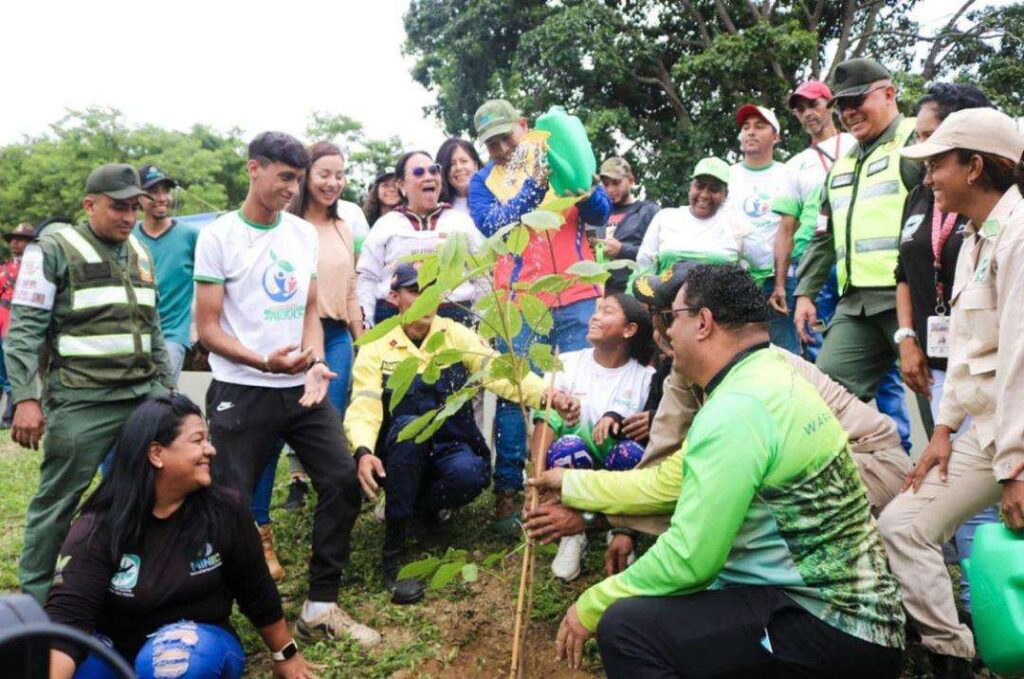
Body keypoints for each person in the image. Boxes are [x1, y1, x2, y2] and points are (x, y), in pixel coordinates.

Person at [534, 264, 904, 676]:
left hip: (832, 628)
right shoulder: (764, 374)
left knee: (626, 627)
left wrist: (591, 605)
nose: (667, 333)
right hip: (847, 619)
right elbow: (669, 479)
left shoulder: (737, 408)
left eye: (673, 319)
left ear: (704, 322)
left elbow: (693, 559)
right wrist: (571, 483)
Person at [193, 131, 378, 646]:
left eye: (297, 179)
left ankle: (321, 604)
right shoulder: (219, 236)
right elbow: (207, 329)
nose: (291, 188)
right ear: (254, 168)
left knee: (342, 480)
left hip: (301, 387)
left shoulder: (300, 235)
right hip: (241, 389)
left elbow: (309, 312)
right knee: (227, 505)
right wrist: (262, 361)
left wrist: (315, 361)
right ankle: (216, 615)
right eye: (285, 177)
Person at [878, 107, 1024, 678]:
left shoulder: (1018, 237)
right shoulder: (971, 239)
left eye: (938, 162)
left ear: (975, 166)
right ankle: (954, 660)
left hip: (1015, 436)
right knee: (904, 526)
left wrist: (1015, 469)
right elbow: (966, 352)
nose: (929, 176)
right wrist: (941, 431)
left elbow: (1019, 360)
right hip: (987, 429)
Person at [346, 262, 578, 603]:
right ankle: (393, 553)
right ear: (395, 298)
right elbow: (364, 404)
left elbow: (498, 371)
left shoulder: (454, 333)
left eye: (430, 292)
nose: (425, 301)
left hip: (449, 441)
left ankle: (422, 512)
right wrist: (364, 451)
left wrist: (548, 394)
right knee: (408, 437)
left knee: (469, 474)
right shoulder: (378, 344)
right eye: (414, 292)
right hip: (398, 451)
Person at [45, 394, 315, 679]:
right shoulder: (98, 525)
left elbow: (256, 591)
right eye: (198, 440)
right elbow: (67, 623)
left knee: (171, 662)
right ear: (156, 454)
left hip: (198, 645)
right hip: (115, 649)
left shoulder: (225, 510)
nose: (210, 450)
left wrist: (286, 655)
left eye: (207, 439)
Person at [5, 164, 174, 604]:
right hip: (82, 400)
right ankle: (36, 602)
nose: (128, 216)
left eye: (134, 207)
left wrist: (168, 391)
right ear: (89, 204)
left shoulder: (139, 251)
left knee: (161, 489)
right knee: (59, 500)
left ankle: (144, 585)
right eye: (118, 207)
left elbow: (152, 327)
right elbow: (23, 330)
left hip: (143, 394)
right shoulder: (53, 248)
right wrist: (25, 398)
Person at [468, 98, 611, 526]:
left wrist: (579, 186)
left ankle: (574, 491)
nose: (500, 150)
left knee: (576, 393)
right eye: (490, 144)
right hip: (519, 303)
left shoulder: (561, 153)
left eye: (506, 138)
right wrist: (533, 184)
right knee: (517, 396)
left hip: (578, 293)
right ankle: (511, 493)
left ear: (525, 127)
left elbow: (599, 212)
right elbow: (496, 224)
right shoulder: (483, 181)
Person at [893, 83, 997, 615]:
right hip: (948, 381)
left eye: (935, 150)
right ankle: (970, 615)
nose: (927, 169)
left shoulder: (1009, 231)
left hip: (997, 395)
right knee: (924, 505)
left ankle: (988, 612)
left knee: (986, 507)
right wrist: (907, 337)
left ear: (974, 161)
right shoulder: (938, 207)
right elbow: (904, 273)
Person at [249, 141, 368, 579]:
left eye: (339, 175)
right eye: (323, 174)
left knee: (328, 437)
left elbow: (352, 289)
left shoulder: (343, 227)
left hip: (333, 339)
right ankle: (259, 530)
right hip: (286, 340)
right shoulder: (284, 226)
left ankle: (333, 533)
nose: (332, 182)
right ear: (304, 177)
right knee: (270, 438)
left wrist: (362, 342)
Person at [775, 81, 913, 451]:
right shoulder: (842, 166)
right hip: (857, 303)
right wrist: (804, 292)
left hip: (911, 296)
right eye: (844, 104)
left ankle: (973, 498)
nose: (849, 111)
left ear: (889, 93)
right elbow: (823, 235)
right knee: (824, 397)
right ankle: (855, 478)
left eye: (858, 100)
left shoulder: (916, 140)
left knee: (938, 392)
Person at [533, 293, 655, 581]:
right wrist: (536, 481)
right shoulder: (565, 363)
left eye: (607, 311)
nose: (595, 316)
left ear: (629, 330)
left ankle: (623, 528)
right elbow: (544, 420)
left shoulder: (646, 378)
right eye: (596, 310)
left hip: (616, 479)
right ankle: (572, 533)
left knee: (631, 453)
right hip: (572, 472)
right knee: (568, 445)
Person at [357, 150, 483, 327]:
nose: (429, 177)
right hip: (395, 321)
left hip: (456, 320)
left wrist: (483, 324)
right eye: (418, 172)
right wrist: (367, 324)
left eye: (433, 170)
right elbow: (367, 277)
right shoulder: (386, 225)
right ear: (401, 184)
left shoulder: (460, 221)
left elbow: (481, 275)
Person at [728, 104, 800, 354]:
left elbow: (789, 230)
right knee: (738, 353)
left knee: (786, 353)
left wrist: (780, 284)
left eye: (759, 126)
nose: (750, 132)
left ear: (776, 137)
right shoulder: (728, 176)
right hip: (736, 281)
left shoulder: (788, 174)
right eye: (745, 127)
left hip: (778, 281)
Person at [133, 165, 200, 383]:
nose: (161, 198)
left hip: (172, 334)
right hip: (133, 334)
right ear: (139, 198)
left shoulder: (190, 236)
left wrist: (198, 326)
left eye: (165, 191)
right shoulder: (128, 236)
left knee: (162, 393)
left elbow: (211, 283)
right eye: (153, 192)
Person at [636, 157, 755, 275]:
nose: (704, 195)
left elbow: (761, 268)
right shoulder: (665, 218)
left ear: (725, 195)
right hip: (664, 293)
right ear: (690, 187)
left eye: (714, 189)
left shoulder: (737, 226)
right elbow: (644, 266)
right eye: (699, 186)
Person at [595, 157, 659, 293]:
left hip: (633, 293)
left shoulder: (648, 211)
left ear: (631, 181)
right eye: (606, 185)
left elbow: (658, 256)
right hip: (598, 294)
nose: (611, 189)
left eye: (616, 183)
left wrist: (622, 250)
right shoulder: (596, 214)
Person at [0, 222, 35, 427]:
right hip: (1, 320)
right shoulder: (4, 268)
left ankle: (10, 416)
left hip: (21, 324)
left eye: (20, 239)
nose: (15, 242)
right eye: (12, 239)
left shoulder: (36, 269)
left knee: (16, 370)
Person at [436, 137, 482, 214]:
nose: (459, 167)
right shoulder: (441, 209)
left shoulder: (494, 192)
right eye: (451, 164)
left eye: (464, 161)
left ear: (475, 163)